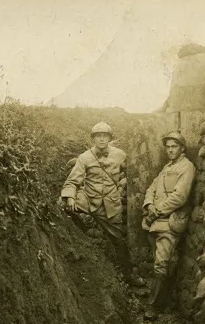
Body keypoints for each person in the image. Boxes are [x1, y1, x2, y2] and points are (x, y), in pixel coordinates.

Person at [60, 121, 146, 287]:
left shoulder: (120, 155)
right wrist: (70, 197)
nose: (101, 139)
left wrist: (124, 184)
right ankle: (81, 234)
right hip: (88, 198)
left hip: (110, 203)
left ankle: (129, 275)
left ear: (109, 138)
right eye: (98, 136)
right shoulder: (84, 158)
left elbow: (132, 171)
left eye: (104, 136)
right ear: (93, 139)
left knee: (118, 240)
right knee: (62, 205)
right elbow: (71, 181)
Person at [142, 131, 196, 320]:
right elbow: (152, 188)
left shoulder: (186, 167)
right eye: (168, 147)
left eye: (174, 146)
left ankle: (154, 307)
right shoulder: (166, 167)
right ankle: (160, 297)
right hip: (154, 221)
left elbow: (179, 197)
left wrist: (156, 210)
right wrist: (149, 204)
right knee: (159, 262)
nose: (170, 150)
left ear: (182, 148)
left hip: (169, 222)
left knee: (161, 264)